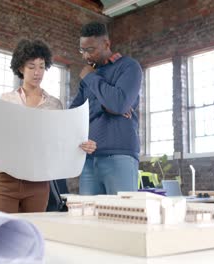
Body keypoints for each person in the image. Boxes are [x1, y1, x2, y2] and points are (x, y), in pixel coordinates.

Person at [0, 39, 97, 213]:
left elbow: (61, 142)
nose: (37, 72)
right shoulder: (6, 99)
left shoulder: (54, 104)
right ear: (20, 68)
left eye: (41, 66)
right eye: (31, 67)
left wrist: (82, 145)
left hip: (39, 183)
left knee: (32, 235)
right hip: (6, 180)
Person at [70, 21, 142, 195]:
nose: (85, 56)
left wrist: (92, 78)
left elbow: (118, 104)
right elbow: (74, 115)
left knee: (123, 217)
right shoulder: (88, 78)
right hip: (89, 160)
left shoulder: (129, 67)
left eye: (90, 50)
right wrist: (106, 105)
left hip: (120, 155)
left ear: (106, 44)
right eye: (82, 50)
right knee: (88, 220)